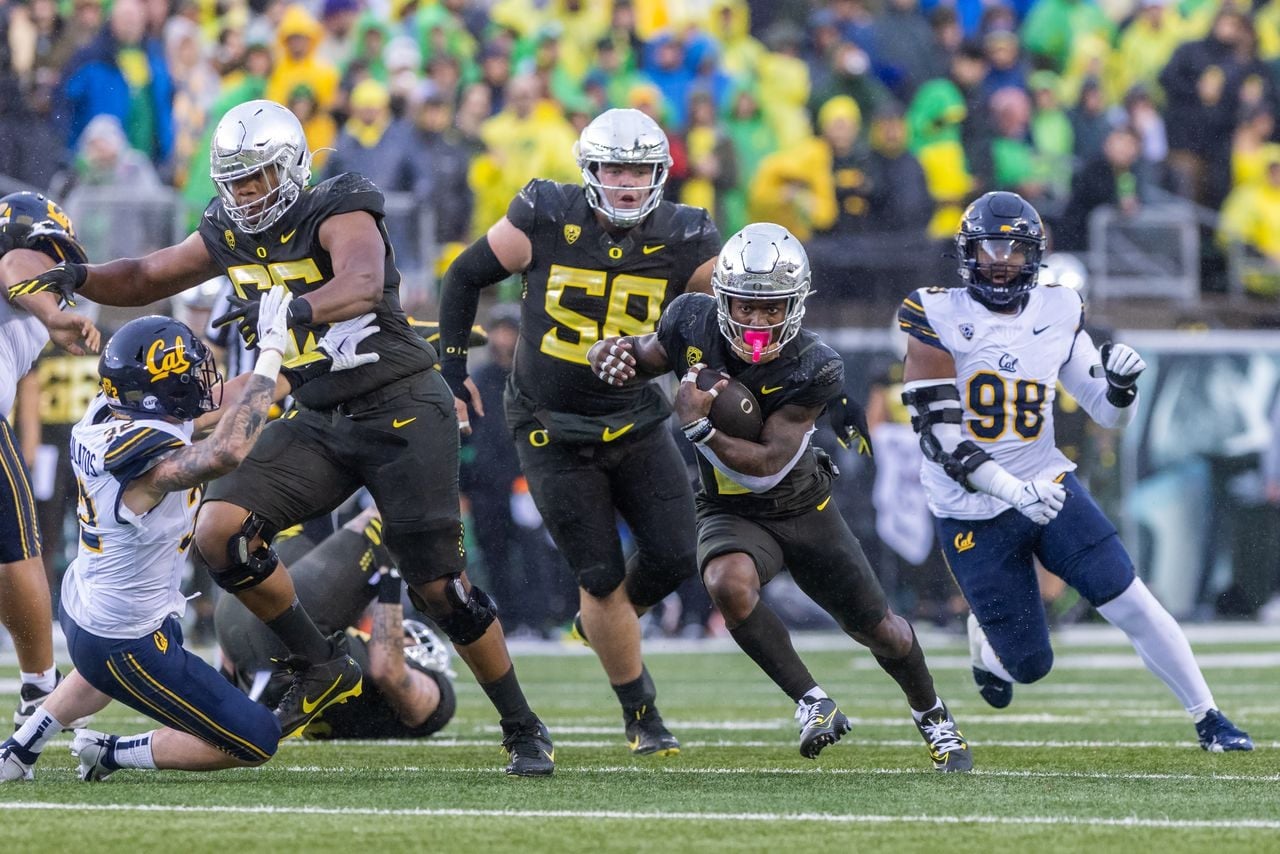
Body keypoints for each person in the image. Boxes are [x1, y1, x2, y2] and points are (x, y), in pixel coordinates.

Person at [6, 99, 554, 776]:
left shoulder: (340, 204)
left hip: (402, 408)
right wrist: (83, 279)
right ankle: (321, 663)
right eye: (234, 180)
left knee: (442, 588)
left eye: (257, 177)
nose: (244, 193)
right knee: (220, 532)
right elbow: (149, 274)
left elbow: (361, 282)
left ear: (292, 168)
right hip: (320, 413)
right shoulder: (227, 229)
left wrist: (292, 309)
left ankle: (521, 724)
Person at [586, 223, 974, 772]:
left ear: (795, 304)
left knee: (879, 629)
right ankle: (812, 700)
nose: (757, 321)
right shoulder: (690, 319)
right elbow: (644, 354)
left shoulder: (816, 364)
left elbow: (768, 465)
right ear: (722, 298)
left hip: (801, 506)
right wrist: (610, 353)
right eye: (746, 305)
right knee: (726, 582)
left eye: (772, 307)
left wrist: (699, 428)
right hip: (728, 508)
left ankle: (932, 714)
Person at [896, 190, 1254, 752]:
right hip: (974, 509)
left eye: (1015, 250)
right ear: (968, 252)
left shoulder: (1058, 308)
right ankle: (985, 644)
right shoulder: (936, 314)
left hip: (1048, 482)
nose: (1002, 262)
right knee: (1030, 664)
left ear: (1035, 255)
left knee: (1129, 597)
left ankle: (1210, 718)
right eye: (990, 248)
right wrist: (1016, 492)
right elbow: (943, 442)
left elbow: (1107, 412)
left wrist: (1123, 389)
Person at [435, 108, 721, 755]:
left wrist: (707, 376)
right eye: (614, 169)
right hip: (551, 425)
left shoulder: (686, 234)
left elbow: (715, 320)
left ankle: (604, 620)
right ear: (589, 170)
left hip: (635, 416)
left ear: (660, 174)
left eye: (639, 171)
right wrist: (452, 371)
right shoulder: (546, 213)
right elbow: (464, 274)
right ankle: (641, 712)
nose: (626, 183)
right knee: (599, 576)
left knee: (679, 554)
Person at [0, 297, 377, 781]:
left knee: (105, 671)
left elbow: (229, 398)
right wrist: (271, 351)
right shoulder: (143, 457)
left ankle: (20, 749)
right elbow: (227, 451)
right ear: (157, 390)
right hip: (122, 637)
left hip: (89, 605)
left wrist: (315, 362)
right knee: (256, 739)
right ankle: (110, 752)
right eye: (188, 376)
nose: (202, 383)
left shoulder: (113, 410)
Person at [217, 507, 456, 740]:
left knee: (387, 521)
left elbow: (388, 671)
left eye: (409, 638)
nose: (405, 636)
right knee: (304, 530)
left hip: (247, 629)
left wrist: (390, 577)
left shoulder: (438, 700)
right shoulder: (359, 710)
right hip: (244, 636)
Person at [0, 191, 101, 729]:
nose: (59, 269)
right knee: (18, 549)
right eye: (54, 253)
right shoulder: (20, 262)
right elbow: (16, 264)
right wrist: (53, 313)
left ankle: (39, 684)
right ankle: (41, 686)